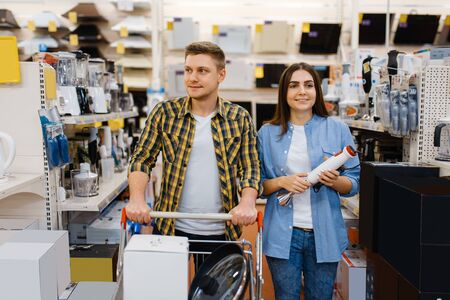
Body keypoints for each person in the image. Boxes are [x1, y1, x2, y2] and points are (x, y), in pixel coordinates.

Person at [126, 41, 261, 268]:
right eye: (188, 70)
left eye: (202, 71)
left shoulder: (239, 118)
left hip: (221, 228)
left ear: (221, 74)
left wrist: (247, 202)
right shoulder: (165, 113)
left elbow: (250, 168)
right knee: (167, 292)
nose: (192, 78)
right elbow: (142, 159)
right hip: (170, 227)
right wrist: (137, 199)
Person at [257, 62, 360, 300]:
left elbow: (354, 182)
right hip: (283, 235)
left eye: (308, 85)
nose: (302, 91)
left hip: (325, 234)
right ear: (284, 92)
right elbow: (258, 185)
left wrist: (335, 182)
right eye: (294, 86)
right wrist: (283, 181)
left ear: (317, 91)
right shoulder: (267, 134)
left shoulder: (338, 129)